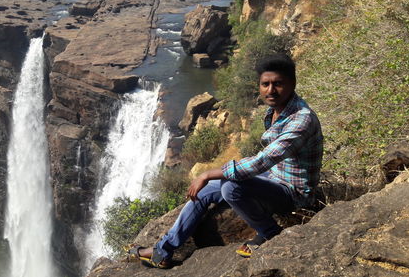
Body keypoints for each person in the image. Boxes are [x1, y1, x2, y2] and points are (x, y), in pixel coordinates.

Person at [128, 53, 323, 268]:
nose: (270, 90)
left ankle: (270, 232)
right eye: (265, 84)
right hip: (274, 176)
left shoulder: (301, 119)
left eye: (278, 84)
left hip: (292, 192)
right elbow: (265, 161)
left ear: (292, 84)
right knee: (204, 191)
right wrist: (210, 178)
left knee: (230, 187)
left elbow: (263, 160)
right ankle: (163, 251)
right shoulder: (277, 110)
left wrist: (207, 172)